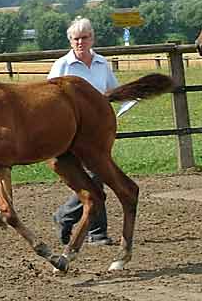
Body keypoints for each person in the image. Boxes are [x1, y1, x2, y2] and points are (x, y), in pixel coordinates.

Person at [48, 16, 117, 245]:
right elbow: (49, 99)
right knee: (97, 176)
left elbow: (112, 90)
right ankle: (94, 231)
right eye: (76, 38)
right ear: (70, 41)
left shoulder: (101, 64)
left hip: (97, 131)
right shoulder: (62, 66)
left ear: (92, 38)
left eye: (84, 38)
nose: (80, 42)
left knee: (96, 176)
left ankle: (67, 217)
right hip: (71, 132)